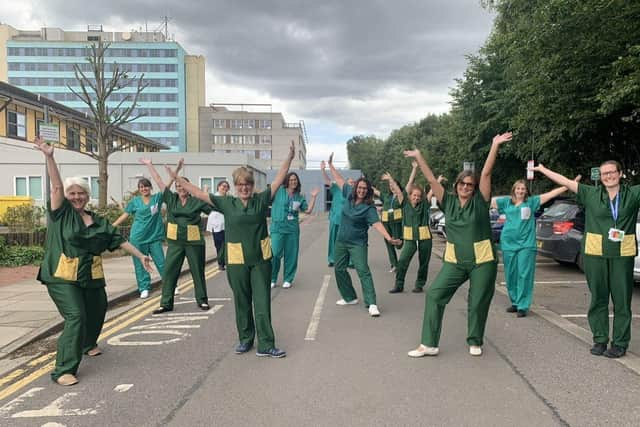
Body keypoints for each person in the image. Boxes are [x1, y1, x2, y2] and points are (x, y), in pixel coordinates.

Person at [33, 137, 152, 386]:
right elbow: (55, 186)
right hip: (61, 275)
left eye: (81, 194)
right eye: (72, 193)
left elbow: (117, 240)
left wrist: (140, 256)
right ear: (67, 196)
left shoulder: (96, 220)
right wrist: (50, 156)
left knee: (98, 309)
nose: (77, 197)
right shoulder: (61, 213)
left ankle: (88, 343)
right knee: (76, 315)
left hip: (89, 273)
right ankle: (64, 369)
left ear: (88, 196)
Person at [167, 143, 297, 358]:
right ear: (235, 186)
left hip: (260, 260)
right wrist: (176, 178)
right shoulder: (227, 203)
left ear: (252, 185)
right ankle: (245, 339)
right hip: (237, 261)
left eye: (247, 184)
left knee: (262, 301)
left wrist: (290, 157)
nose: (244, 188)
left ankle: (266, 344)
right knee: (242, 300)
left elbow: (279, 178)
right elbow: (198, 193)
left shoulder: (261, 199)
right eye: (240, 185)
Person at [406, 132, 512, 357]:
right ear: (456, 185)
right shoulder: (449, 202)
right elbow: (432, 180)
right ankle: (429, 344)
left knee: (477, 301)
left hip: (482, 260)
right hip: (455, 261)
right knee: (434, 294)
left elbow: (485, 173)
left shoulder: (480, 202)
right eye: (462, 183)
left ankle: (475, 340)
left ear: (474, 188)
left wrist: (494, 145)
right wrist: (419, 156)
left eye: (469, 185)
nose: (466, 187)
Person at [533, 161, 640, 358]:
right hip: (594, 255)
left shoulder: (632, 194)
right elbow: (565, 181)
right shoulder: (591, 194)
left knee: (622, 301)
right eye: (604, 173)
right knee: (598, 298)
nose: (608, 176)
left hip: (621, 255)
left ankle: (620, 343)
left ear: (620, 173)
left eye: (612, 172)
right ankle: (599, 339)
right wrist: (542, 169)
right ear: (600, 176)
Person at [327, 153, 402, 317]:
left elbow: (377, 224)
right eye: (359, 188)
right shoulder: (348, 194)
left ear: (368, 191)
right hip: (341, 241)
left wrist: (389, 238)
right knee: (339, 269)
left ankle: (372, 303)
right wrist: (331, 165)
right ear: (356, 189)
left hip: (357, 244)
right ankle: (349, 297)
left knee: (363, 271)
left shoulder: (369, 208)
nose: (361, 190)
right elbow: (339, 179)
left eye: (364, 189)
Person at [492, 177, 578, 317]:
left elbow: (550, 194)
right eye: (518, 188)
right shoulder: (506, 202)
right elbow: (485, 199)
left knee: (524, 274)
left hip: (526, 245)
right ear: (514, 189)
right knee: (511, 274)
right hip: (508, 244)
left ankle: (523, 305)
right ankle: (515, 302)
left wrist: (568, 184)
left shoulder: (531, 202)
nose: (520, 191)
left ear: (526, 191)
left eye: (523, 189)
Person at [141, 158, 213, 313]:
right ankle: (166, 303)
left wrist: (207, 194)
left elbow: (214, 210)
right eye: (177, 185)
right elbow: (158, 180)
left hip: (194, 242)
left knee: (197, 271)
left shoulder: (197, 201)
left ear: (189, 187)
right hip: (175, 242)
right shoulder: (171, 198)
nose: (180, 188)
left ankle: (202, 300)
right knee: (169, 271)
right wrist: (149, 165)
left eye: (183, 185)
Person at [112, 178, 167, 299]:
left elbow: (166, 187)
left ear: (150, 187)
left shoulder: (157, 198)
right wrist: (111, 227)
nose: (144, 189)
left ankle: (170, 286)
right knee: (140, 264)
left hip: (154, 237)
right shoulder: (135, 201)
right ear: (139, 189)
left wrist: (176, 172)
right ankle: (144, 288)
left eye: (146, 186)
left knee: (162, 263)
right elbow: (125, 215)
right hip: (137, 237)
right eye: (141, 187)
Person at [383, 170, 432, 294]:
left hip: (425, 239)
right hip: (410, 239)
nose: (416, 198)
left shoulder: (424, 204)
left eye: (419, 196)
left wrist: (438, 181)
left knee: (424, 263)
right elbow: (401, 190)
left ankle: (419, 285)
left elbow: (431, 192)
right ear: (409, 195)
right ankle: (399, 285)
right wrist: (391, 180)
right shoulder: (404, 204)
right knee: (403, 261)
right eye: (414, 195)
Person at [270, 172, 319, 289]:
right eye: (291, 180)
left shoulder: (299, 196)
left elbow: (307, 211)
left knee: (291, 255)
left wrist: (313, 197)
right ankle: (272, 278)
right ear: (287, 181)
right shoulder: (279, 190)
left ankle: (288, 278)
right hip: (277, 228)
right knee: (275, 254)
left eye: (295, 180)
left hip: (292, 230)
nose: (293, 182)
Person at [373, 177, 403, 273]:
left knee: (398, 245)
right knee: (389, 243)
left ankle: (401, 242)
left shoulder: (401, 196)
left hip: (396, 222)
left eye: (393, 185)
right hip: (385, 223)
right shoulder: (386, 196)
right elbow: (376, 191)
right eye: (390, 186)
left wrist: (391, 179)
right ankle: (394, 264)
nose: (392, 187)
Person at [205, 180, 230, 271]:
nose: (224, 188)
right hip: (216, 224)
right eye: (223, 186)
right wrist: (205, 191)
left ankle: (226, 262)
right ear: (218, 187)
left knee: (226, 244)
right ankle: (221, 263)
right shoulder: (214, 197)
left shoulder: (228, 198)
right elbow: (206, 203)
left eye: (226, 186)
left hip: (226, 224)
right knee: (219, 244)